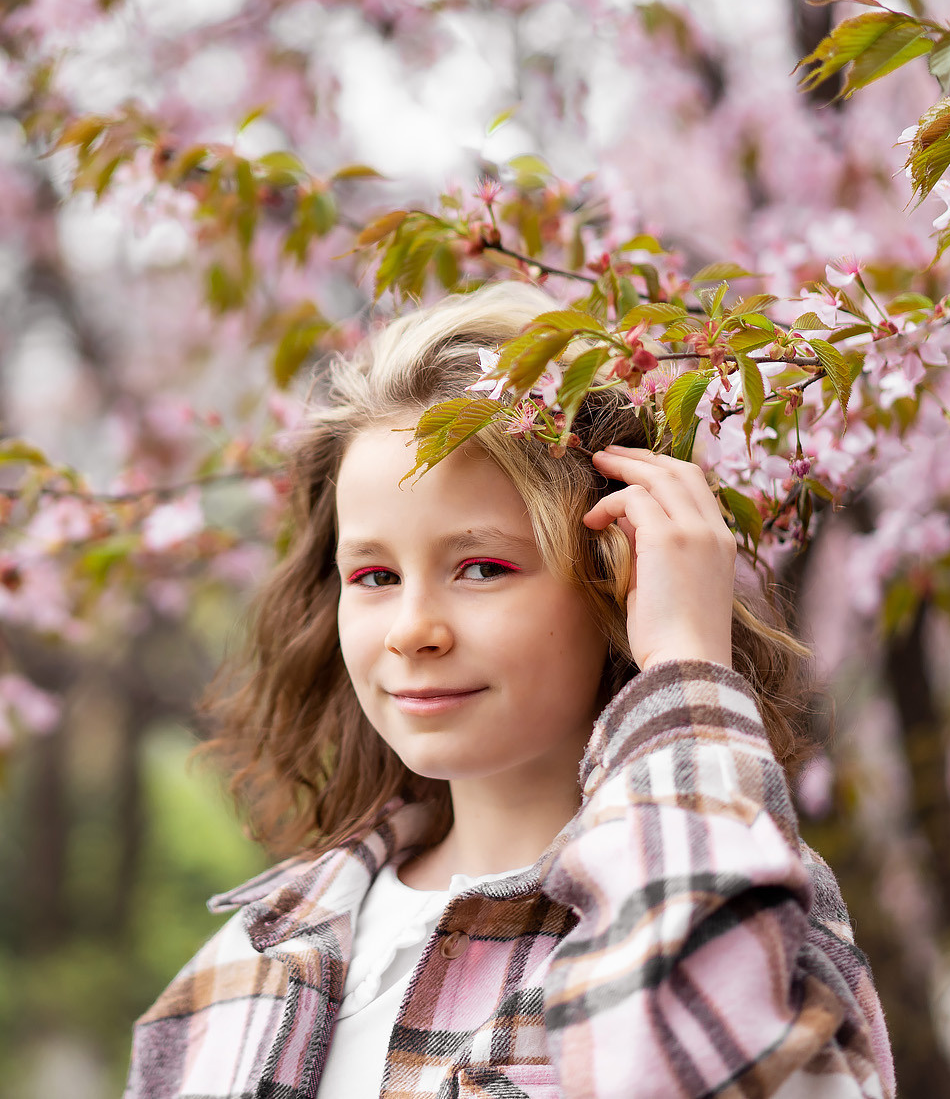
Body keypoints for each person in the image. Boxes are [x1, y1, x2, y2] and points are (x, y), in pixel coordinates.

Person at [121, 281, 895, 1099]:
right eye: (374, 574)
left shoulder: (747, 908)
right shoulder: (239, 969)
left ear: (620, 573)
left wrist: (683, 668)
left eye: (482, 567)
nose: (413, 628)